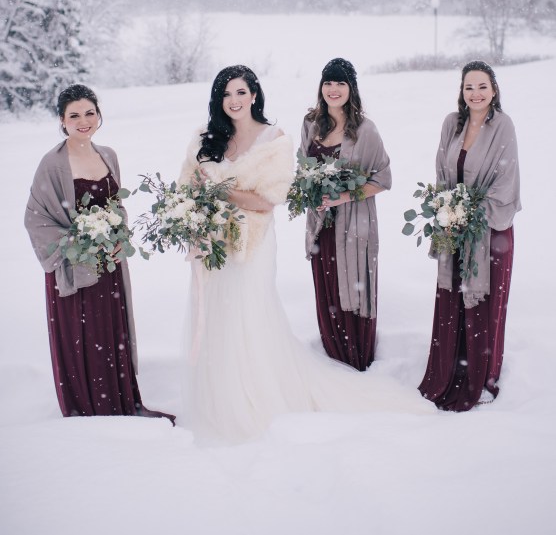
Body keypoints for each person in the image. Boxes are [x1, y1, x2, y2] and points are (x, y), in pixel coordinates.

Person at [178, 65, 428, 443]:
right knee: (217, 312)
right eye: (227, 93)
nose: (234, 100)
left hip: (254, 244)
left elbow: (268, 199)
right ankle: (220, 396)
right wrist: (192, 215)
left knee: (248, 313)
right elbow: (187, 185)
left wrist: (219, 192)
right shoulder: (205, 138)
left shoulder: (272, 139)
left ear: (254, 95)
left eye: (241, 92)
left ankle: (256, 396)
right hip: (215, 243)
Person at [24, 84, 175, 423]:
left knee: (110, 333)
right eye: (74, 115)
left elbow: (115, 206)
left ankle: (121, 403)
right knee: (84, 337)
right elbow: (36, 219)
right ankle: (92, 410)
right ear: (62, 121)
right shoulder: (52, 164)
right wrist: (78, 247)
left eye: (89, 113)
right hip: (75, 269)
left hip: (109, 265)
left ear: (99, 115)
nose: (83, 121)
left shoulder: (107, 154)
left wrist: (120, 236)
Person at [418, 61, 521, 411]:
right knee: (451, 298)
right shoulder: (453, 123)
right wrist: (446, 208)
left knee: (482, 304)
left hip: (490, 233)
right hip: (453, 226)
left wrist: (471, 213)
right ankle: (447, 371)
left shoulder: (503, 126)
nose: (475, 94)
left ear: (494, 90)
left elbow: (505, 184)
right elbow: (441, 170)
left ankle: (480, 376)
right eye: (468, 87)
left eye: (482, 86)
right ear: (461, 92)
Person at [299, 58, 392, 370]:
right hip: (320, 227)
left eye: (340, 83)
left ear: (351, 88)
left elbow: (382, 179)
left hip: (355, 226)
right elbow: (303, 169)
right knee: (327, 293)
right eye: (328, 82)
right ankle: (332, 361)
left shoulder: (365, 131)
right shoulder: (310, 124)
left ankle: (356, 361)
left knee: (352, 289)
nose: (333, 89)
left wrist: (341, 197)